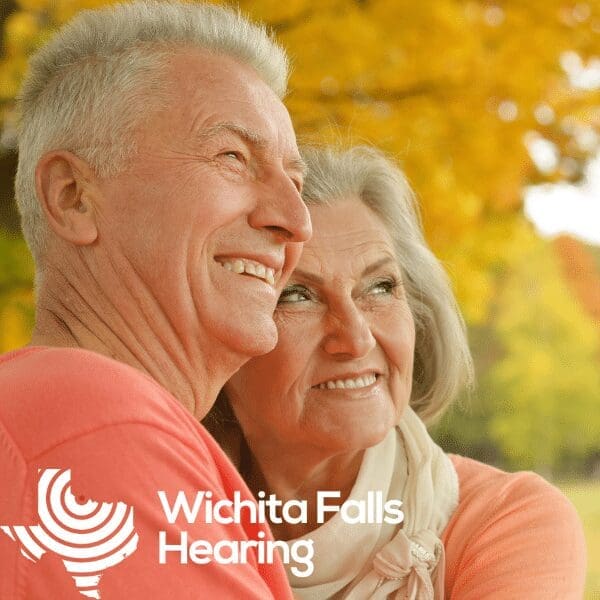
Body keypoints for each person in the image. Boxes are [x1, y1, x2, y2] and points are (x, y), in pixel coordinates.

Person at [0, 1, 312, 598]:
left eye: (296, 182)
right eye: (233, 158)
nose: (296, 220)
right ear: (73, 198)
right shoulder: (97, 427)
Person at [207, 145, 587, 599]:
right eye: (296, 295)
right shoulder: (153, 518)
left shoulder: (507, 522)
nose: (357, 338)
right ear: (217, 335)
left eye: (380, 286)